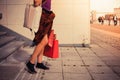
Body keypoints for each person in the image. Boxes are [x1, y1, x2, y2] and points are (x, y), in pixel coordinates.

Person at [26, 0, 55, 74]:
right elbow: (36, 3)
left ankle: (39, 62)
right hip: (42, 17)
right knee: (44, 41)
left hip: (46, 16)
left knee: (42, 41)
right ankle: (31, 62)